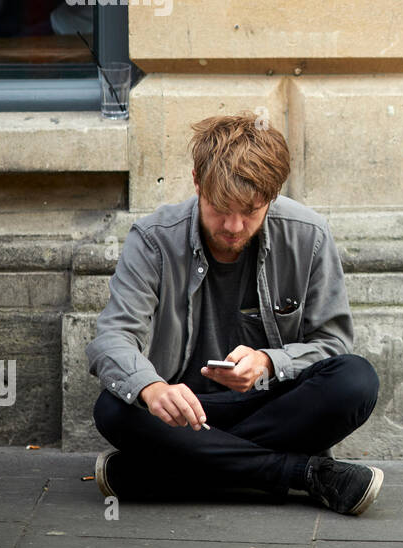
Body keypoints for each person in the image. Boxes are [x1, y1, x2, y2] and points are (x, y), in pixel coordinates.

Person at [87, 112, 384, 516]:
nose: (233, 226)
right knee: (113, 408)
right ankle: (303, 473)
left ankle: (166, 470)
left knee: (356, 380)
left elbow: (333, 344)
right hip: (183, 411)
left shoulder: (308, 235)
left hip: (273, 407)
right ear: (197, 181)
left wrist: (269, 362)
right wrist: (153, 389)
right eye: (219, 208)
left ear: (272, 196)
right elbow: (112, 338)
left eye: (250, 211)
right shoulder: (153, 240)